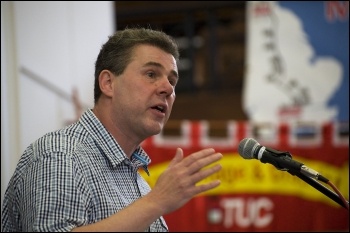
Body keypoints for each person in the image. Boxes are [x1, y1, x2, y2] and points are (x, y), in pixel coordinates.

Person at [1, 27, 223, 232]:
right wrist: (156, 202)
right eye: (151, 74)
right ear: (108, 83)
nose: (167, 88)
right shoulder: (60, 156)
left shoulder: (137, 183)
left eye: (172, 81)